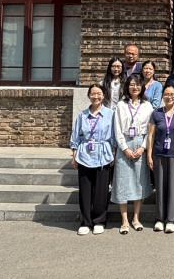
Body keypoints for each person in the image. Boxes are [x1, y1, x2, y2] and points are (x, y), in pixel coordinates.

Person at [70, 84, 116, 236]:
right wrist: (74, 155)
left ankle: (99, 221)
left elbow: (113, 136)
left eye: (99, 93)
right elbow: (76, 137)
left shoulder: (110, 114)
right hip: (85, 155)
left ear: (103, 95)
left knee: (101, 190)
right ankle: (86, 221)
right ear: (89, 96)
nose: (96, 96)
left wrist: (113, 153)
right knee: (85, 190)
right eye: (93, 94)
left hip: (103, 154)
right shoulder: (82, 115)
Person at [111, 74, 154, 234]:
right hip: (125, 144)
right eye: (132, 84)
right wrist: (124, 148)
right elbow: (117, 129)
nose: (135, 87)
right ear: (127, 87)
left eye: (138, 85)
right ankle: (124, 220)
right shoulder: (121, 105)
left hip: (141, 143)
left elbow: (150, 130)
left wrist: (143, 147)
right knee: (122, 181)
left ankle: (136, 218)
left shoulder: (147, 106)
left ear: (142, 87)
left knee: (139, 181)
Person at [147, 85, 174, 233]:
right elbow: (151, 135)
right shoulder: (156, 113)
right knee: (160, 187)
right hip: (159, 154)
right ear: (162, 96)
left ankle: (171, 220)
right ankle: (159, 218)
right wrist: (149, 155)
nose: (169, 97)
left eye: (172, 94)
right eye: (166, 94)